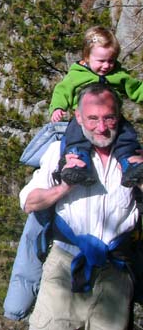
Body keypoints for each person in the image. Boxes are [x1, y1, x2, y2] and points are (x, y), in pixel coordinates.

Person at [22, 83, 140, 329]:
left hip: (115, 272)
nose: (101, 127)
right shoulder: (60, 152)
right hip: (65, 267)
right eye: (93, 118)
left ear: (119, 115)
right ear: (78, 117)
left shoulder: (135, 158)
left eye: (109, 118)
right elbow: (29, 202)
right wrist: (64, 186)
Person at [50, 26, 143, 187]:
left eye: (111, 61)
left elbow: (136, 89)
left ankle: (129, 162)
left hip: (113, 117)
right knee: (75, 136)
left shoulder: (118, 75)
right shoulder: (77, 75)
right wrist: (58, 107)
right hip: (84, 120)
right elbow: (62, 90)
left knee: (126, 134)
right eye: (101, 61)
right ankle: (78, 163)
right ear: (86, 57)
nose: (106, 66)